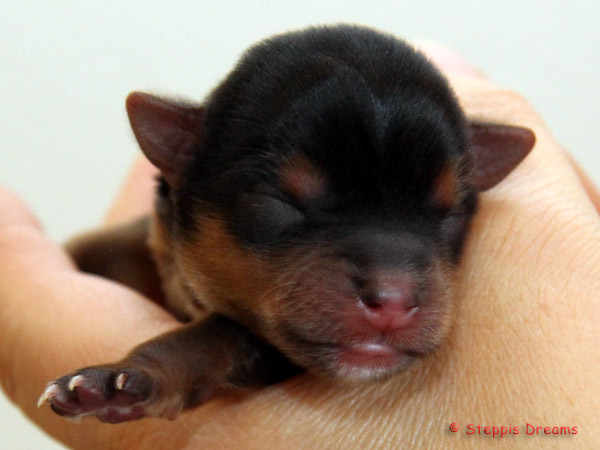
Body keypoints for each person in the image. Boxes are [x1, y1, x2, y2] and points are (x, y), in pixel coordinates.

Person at [0, 44, 598, 449]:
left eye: (441, 216)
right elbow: (234, 341)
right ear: (179, 151)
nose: (392, 289)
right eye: (288, 205)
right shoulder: (119, 255)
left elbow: (234, 346)